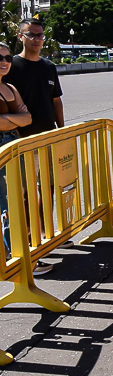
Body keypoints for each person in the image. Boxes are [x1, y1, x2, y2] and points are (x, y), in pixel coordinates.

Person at [6, 18, 68, 275]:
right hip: (21, 140)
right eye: (32, 35)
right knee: (24, 195)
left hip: (48, 136)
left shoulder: (48, 67)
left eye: (40, 35)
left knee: (48, 188)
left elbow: (56, 101)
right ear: (20, 37)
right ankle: (29, 244)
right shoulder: (12, 67)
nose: (37, 39)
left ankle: (45, 234)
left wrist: (63, 131)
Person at [0, 41, 32, 261]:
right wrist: (15, 120)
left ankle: (16, 252)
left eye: (8, 58)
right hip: (3, 148)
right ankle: (15, 256)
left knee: (17, 199)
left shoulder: (10, 88)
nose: (4, 62)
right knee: (6, 202)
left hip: (13, 144)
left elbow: (27, 118)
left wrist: (5, 119)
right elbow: (20, 118)